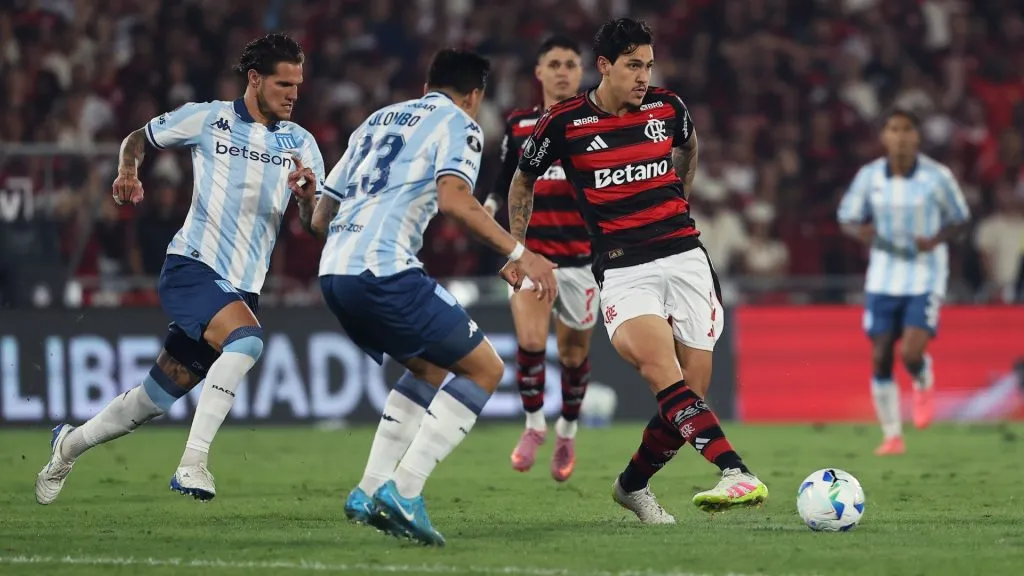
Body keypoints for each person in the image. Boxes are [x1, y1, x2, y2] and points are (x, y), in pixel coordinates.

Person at [35, 33, 325, 504]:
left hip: (242, 289)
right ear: (255, 79)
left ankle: (67, 446)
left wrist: (308, 199)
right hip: (192, 266)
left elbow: (316, 227)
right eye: (283, 84)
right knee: (248, 340)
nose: (293, 94)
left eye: (297, 85)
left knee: (151, 400)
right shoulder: (209, 118)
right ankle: (193, 463)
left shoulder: (302, 144)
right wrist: (128, 171)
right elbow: (137, 139)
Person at [503, 18, 768, 524]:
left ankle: (631, 486)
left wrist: (677, 199)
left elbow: (688, 146)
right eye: (632, 66)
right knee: (662, 372)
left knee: (691, 393)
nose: (644, 76)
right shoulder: (563, 123)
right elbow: (522, 180)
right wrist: (518, 249)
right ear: (604, 66)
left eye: (648, 65)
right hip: (625, 269)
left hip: (686, 257)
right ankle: (734, 470)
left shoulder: (668, 108)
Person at [309, 49, 558, 546]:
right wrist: (521, 252)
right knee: (485, 369)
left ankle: (369, 490)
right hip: (383, 270)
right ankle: (405, 491)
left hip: (334, 272)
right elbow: (454, 201)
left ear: (427, 86)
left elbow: (319, 219)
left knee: (428, 368)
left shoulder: (377, 120)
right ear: (474, 96)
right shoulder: (460, 124)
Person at [481, 36, 594, 482]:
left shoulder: (595, 125)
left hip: (583, 260)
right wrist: (490, 208)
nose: (563, 71)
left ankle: (567, 431)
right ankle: (534, 426)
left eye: (571, 64)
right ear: (540, 72)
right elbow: (504, 179)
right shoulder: (520, 124)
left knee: (572, 356)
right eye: (555, 64)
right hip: (532, 255)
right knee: (530, 343)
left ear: (581, 72)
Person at [838, 109, 970, 455]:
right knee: (881, 354)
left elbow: (960, 219)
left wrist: (936, 239)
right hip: (883, 275)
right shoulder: (869, 176)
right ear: (884, 136)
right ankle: (892, 436)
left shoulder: (937, 177)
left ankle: (922, 377)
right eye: (893, 129)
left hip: (925, 274)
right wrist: (861, 231)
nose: (900, 136)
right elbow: (847, 217)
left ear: (916, 136)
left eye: (906, 129)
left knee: (911, 351)